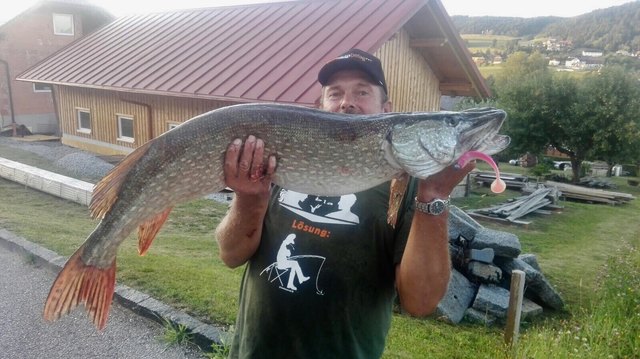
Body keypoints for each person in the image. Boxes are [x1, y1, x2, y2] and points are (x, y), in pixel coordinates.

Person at [216, 49, 475, 358]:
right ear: (319, 107)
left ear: (386, 109)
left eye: (362, 92)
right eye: (334, 93)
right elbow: (231, 255)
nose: (347, 102)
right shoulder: (277, 162)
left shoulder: (408, 184)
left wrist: (434, 198)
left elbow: (421, 301)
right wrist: (250, 197)